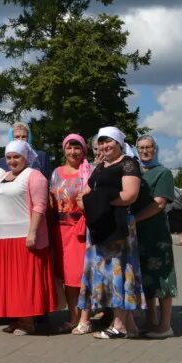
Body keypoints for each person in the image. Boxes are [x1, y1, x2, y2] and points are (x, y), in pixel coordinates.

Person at [76, 127, 143, 339]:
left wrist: (98, 201)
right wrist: (91, 201)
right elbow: (86, 192)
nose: (105, 146)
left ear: (119, 143)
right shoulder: (100, 166)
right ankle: (129, 326)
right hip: (100, 224)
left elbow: (129, 195)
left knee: (119, 272)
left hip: (118, 225)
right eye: (102, 142)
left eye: (109, 142)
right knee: (102, 273)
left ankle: (120, 325)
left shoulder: (128, 164)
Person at [0, 140, 55, 335]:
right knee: (10, 282)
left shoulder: (34, 176)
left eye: (16, 157)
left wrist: (32, 232)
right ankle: (16, 319)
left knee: (24, 281)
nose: (12, 161)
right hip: (3, 238)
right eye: (8, 157)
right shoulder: (3, 176)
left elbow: (40, 206)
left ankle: (28, 322)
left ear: (25, 157)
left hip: (23, 236)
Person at [133, 135, 177, 338]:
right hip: (139, 234)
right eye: (141, 148)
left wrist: (134, 219)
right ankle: (151, 320)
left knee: (162, 278)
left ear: (155, 149)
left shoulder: (163, 173)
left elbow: (159, 203)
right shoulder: (137, 172)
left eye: (148, 147)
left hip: (156, 233)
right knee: (146, 278)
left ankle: (165, 325)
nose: (144, 151)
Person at [48, 134, 90, 333]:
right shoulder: (56, 172)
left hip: (79, 230)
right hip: (59, 230)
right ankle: (73, 317)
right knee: (67, 278)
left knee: (80, 276)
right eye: (69, 148)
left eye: (77, 148)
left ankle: (85, 318)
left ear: (84, 150)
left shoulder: (87, 172)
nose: (73, 152)